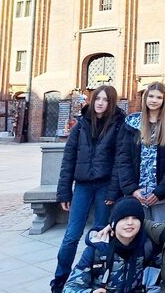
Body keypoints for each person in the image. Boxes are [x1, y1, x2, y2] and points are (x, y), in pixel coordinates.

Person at [51, 85, 126, 293]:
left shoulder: (118, 125)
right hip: (83, 185)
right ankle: (60, 279)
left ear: (111, 103)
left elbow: (119, 160)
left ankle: (96, 279)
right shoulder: (81, 125)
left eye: (105, 100)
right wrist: (64, 192)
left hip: (105, 186)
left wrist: (113, 191)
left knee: (100, 235)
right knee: (71, 235)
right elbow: (68, 160)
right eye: (97, 99)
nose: (100, 103)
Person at [118, 82, 165, 222]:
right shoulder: (132, 123)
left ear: (164, 100)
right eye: (151, 96)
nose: (154, 100)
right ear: (145, 98)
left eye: (159, 97)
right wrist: (132, 189)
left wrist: (160, 191)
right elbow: (124, 158)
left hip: (163, 196)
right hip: (137, 195)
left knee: (161, 232)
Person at [63, 197, 154, 293]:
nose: (130, 223)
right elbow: (70, 287)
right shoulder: (97, 250)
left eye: (135, 218)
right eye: (124, 218)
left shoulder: (146, 247)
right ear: (113, 223)